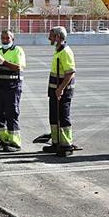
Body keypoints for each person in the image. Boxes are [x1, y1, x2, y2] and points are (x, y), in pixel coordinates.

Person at [44, 26, 79, 157]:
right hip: (54, 90)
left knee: (63, 117)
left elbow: (70, 73)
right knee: (54, 116)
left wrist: (61, 88)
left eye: (51, 36)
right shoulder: (58, 50)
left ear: (58, 37)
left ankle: (66, 145)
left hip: (62, 92)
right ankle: (56, 142)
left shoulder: (66, 52)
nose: (49, 38)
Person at [0, 29, 26, 152]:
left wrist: (4, 62)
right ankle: (4, 140)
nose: (5, 40)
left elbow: (19, 67)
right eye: (3, 38)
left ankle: (15, 142)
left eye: (7, 38)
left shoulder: (17, 50)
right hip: (0, 86)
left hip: (13, 86)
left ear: (13, 39)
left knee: (11, 113)